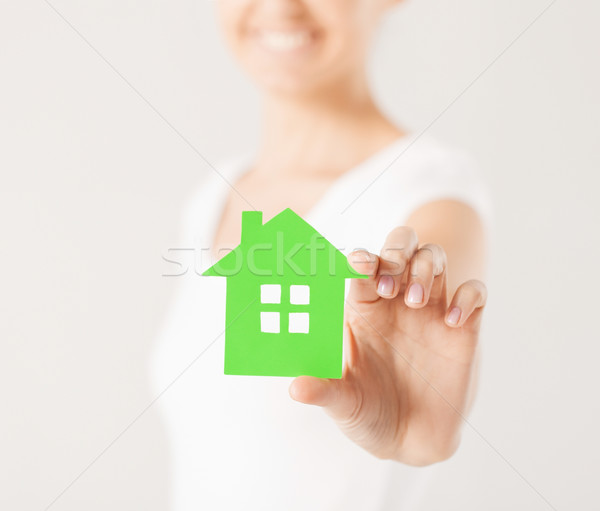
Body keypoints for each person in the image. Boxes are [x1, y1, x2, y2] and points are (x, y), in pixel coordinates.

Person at [152, 0, 493, 509]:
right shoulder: (215, 193)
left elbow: (441, 266)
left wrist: (414, 430)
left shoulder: (429, 194)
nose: (280, 7)